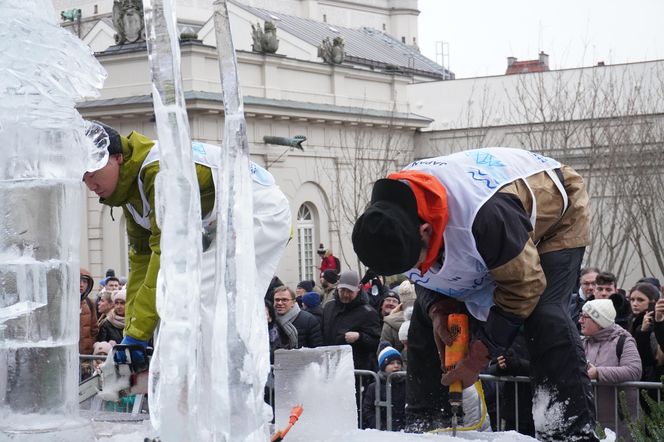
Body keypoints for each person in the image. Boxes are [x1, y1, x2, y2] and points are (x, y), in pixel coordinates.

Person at [352, 147, 597, 439]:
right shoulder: (392, 219)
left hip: (555, 218)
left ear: (425, 231)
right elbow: (426, 277)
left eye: (413, 262)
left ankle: (568, 428)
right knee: (424, 323)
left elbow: (524, 286)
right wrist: (437, 308)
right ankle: (426, 424)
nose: (416, 270)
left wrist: (477, 358)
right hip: (484, 235)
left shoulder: (487, 216)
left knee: (545, 315)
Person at [81, 122, 291, 366]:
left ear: (117, 158)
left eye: (94, 174)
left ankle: (216, 373)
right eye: (84, 179)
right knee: (189, 297)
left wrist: (138, 336)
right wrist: (133, 331)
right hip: (227, 221)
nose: (91, 185)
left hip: (260, 213)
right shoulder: (130, 193)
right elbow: (141, 261)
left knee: (203, 295)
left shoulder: (159, 172)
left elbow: (166, 255)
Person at [580, 299, 641, 441]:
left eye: (585, 316)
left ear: (598, 320)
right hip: (590, 421)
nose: (580, 320)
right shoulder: (582, 342)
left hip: (621, 422)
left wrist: (598, 373)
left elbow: (634, 370)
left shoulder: (623, 341)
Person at [322, 270, 381, 371]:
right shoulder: (328, 307)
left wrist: (360, 337)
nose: (345, 294)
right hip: (330, 366)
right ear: (338, 288)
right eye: (342, 290)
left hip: (354, 370)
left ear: (358, 289)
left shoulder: (368, 313)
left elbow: (376, 342)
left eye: (350, 291)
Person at [361, 345, 406, 431]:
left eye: (399, 363)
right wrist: (380, 426)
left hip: (403, 428)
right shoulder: (374, 386)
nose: (396, 366)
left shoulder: (405, 382)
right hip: (383, 430)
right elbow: (368, 410)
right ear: (383, 366)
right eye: (391, 363)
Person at [80, 268, 99, 380]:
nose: (81, 285)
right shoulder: (62, 302)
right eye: (79, 281)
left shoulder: (89, 303)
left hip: (85, 358)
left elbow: (94, 330)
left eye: (85, 281)